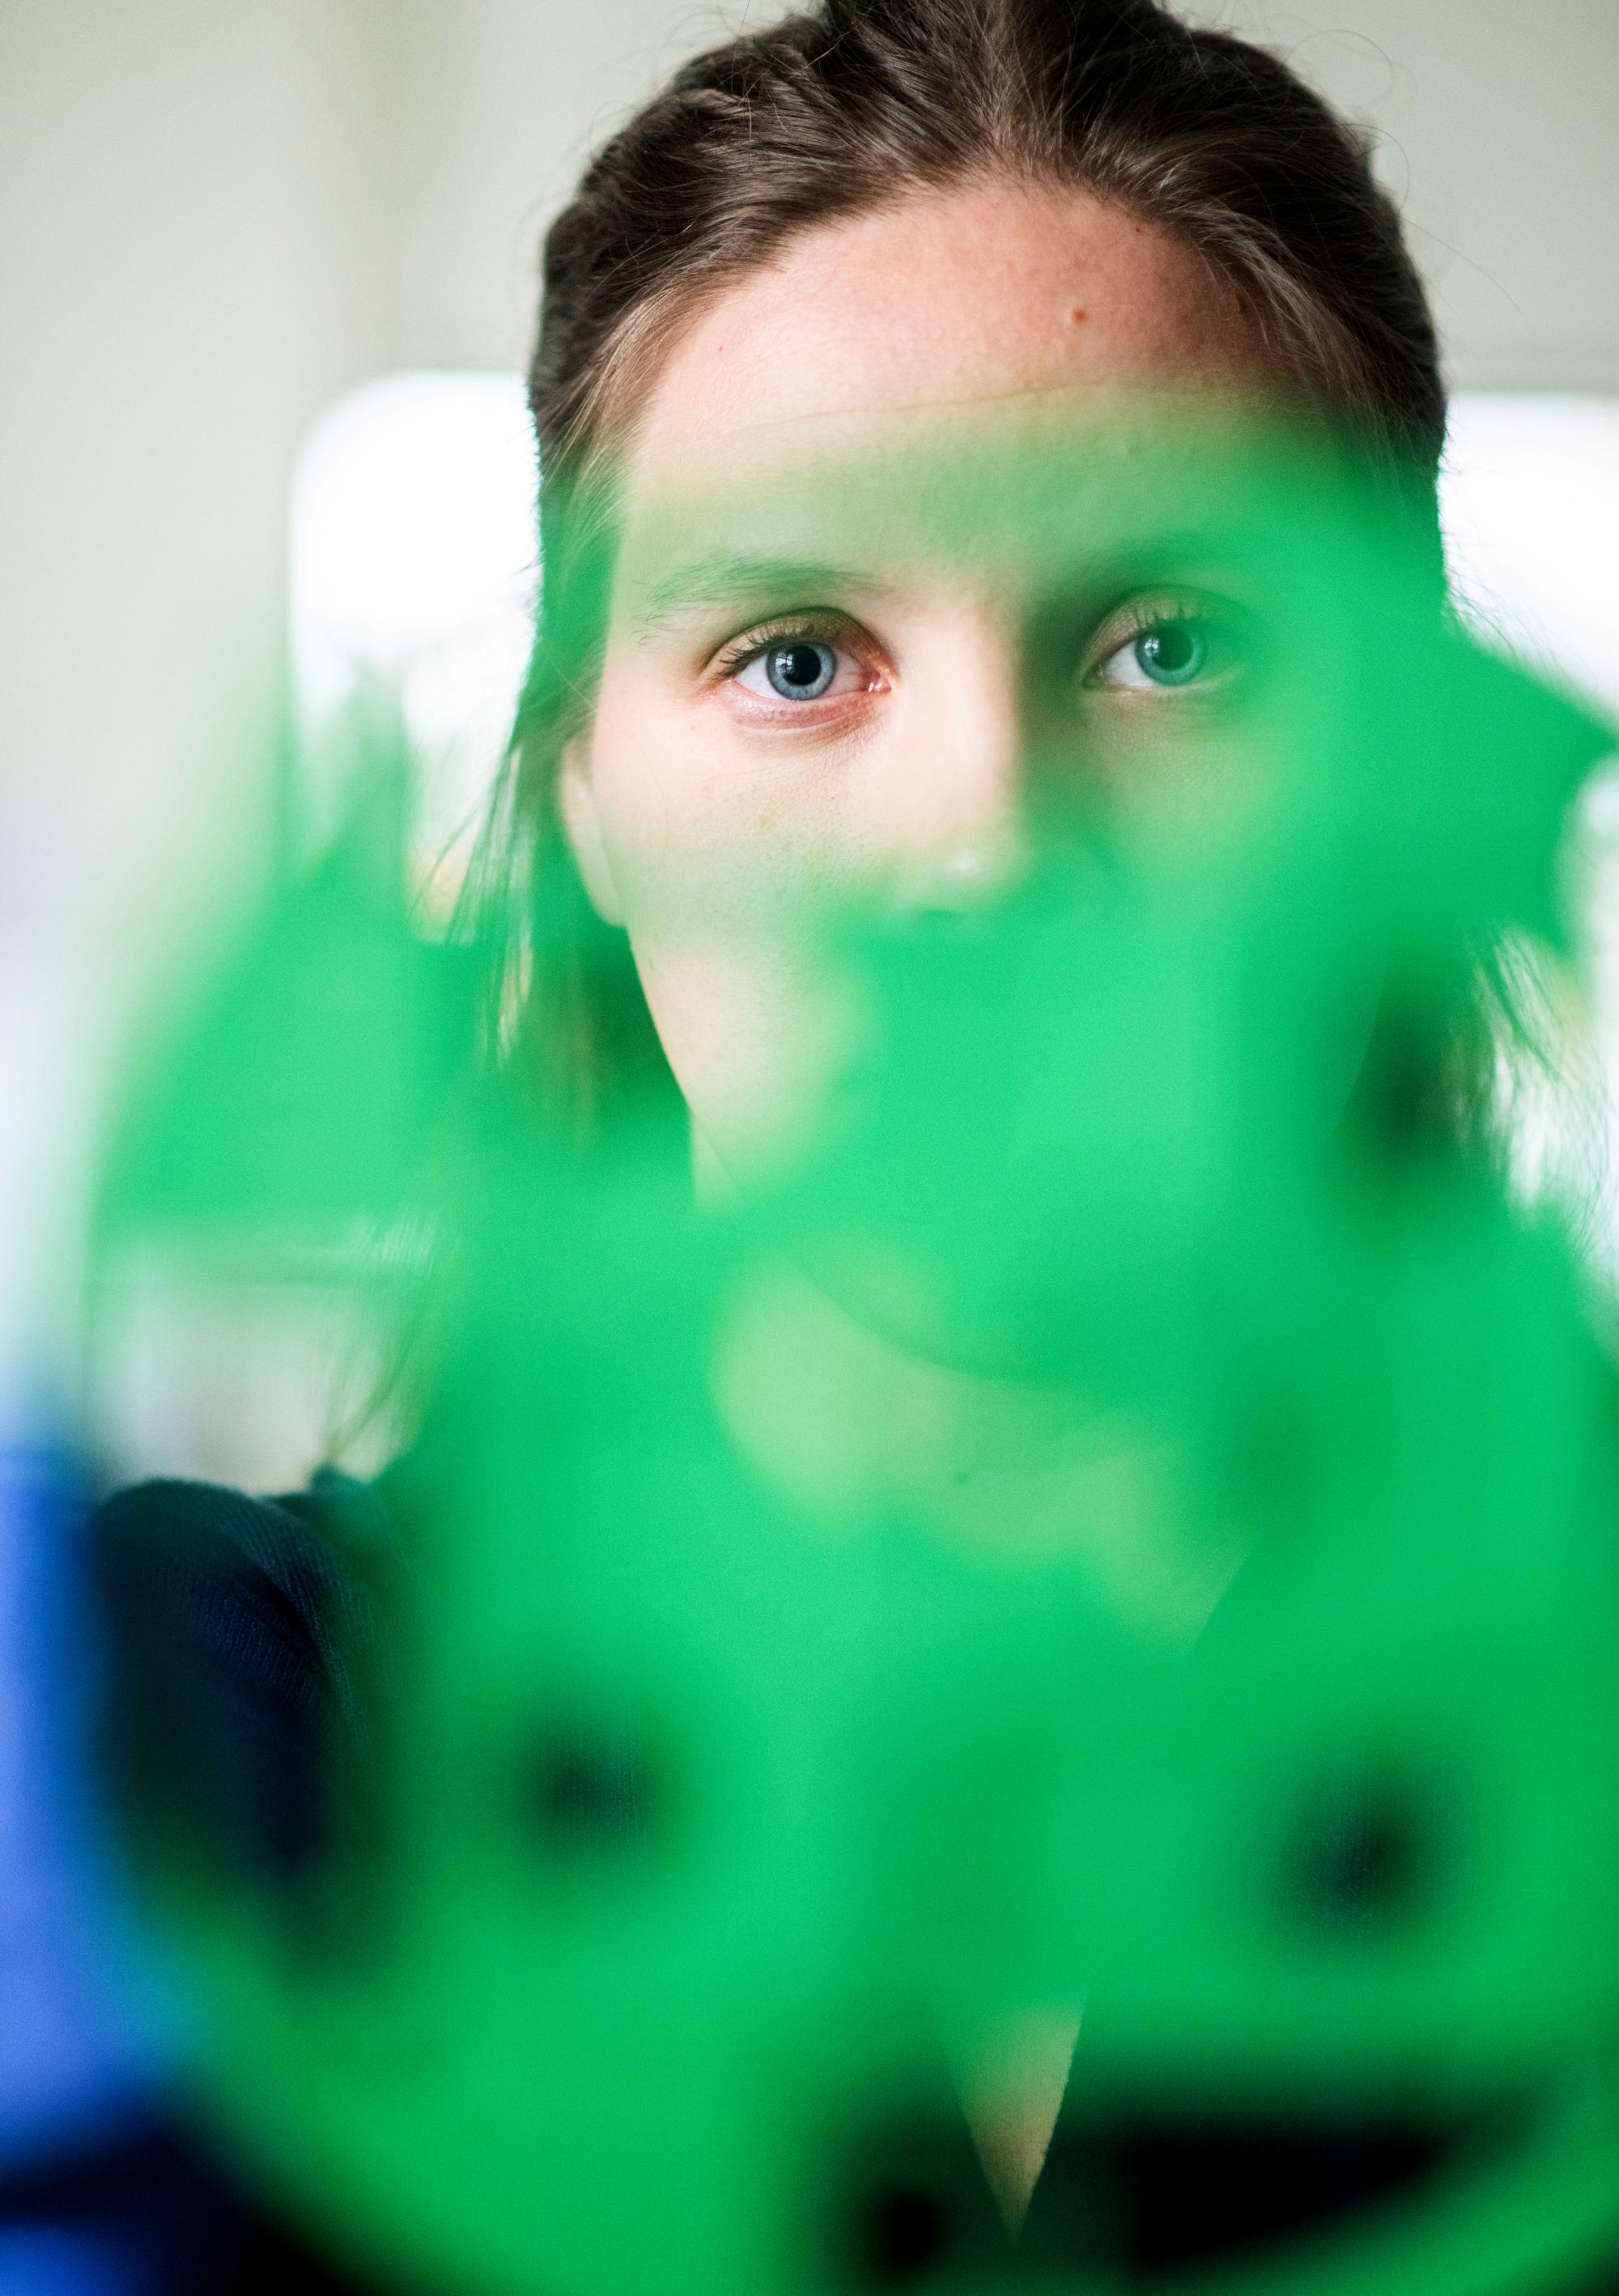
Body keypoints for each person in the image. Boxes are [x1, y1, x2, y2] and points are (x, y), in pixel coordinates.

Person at [81, 2, 1486, 2290]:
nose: (985, 853)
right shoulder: (199, 1755)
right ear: (581, 802)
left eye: (1174, 643)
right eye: (798, 658)